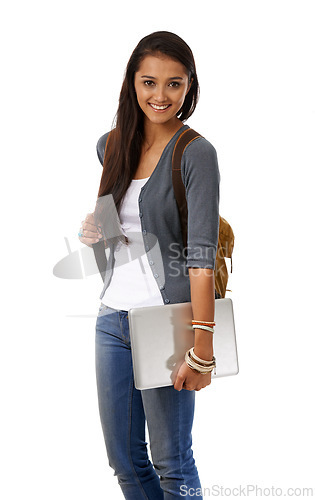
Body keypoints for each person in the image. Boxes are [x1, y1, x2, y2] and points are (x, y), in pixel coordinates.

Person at [78, 31, 220, 499]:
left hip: (166, 322)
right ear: (132, 83)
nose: (161, 96)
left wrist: (202, 349)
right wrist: (95, 229)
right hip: (110, 320)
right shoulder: (111, 144)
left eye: (174, 84)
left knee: (171, 462)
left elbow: (200, 255)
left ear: (189, 86)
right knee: (124, 462)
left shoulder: (196, 154)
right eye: (149, 82)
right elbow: (114, 218)